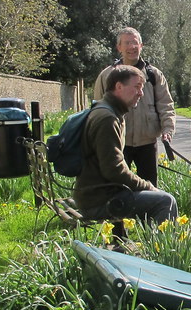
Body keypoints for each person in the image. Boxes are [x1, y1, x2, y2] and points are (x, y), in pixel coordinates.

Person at [74, 64, 178, 226]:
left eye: (142, 88)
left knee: (159, 198)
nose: (141, 93)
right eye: (137, 87)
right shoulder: (107, 119)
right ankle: (157, 250)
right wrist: (148, 186)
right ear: (119, 86)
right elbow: (113, 170)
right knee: (166, 201)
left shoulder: (107, 111)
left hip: (94, 194)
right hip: (99, 201)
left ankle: (148, 243)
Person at [93, 27, 175, 186]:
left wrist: (168, 131)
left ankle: (147, 212)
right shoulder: (107, 75)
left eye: (135, 43)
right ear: (119, 48)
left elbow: (166, 105)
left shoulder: (154, 75)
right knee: (117, 187)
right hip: (118, 142)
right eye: (127, 43)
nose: (132, 47)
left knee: (150, 188)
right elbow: (98, 107)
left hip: (147, 143)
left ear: (141, 45)